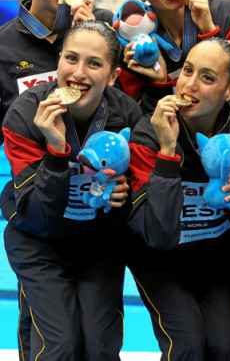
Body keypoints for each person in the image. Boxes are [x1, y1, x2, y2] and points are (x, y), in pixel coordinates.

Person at [1, 20, 142, 359]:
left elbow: (135, 207)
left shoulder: (127, 115)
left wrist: (122, 200)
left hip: (98, 242)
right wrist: (55, 151)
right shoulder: (24, 115)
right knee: (59, 345)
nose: (78, 73)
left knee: (99, 347)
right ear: (59, 60)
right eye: (71, 58)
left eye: (94, 63)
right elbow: (38, 217)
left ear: (112, 75)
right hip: (38, 241)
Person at [127, 38, 230, 360]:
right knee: (187, 345)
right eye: (188, 70)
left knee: (227, 346)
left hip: (217, 261)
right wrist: (166, 152)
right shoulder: (148, 132)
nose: (190, 84)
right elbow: (158, 235)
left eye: (207, 78)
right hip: (158, 261)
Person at [0, 0, 113, 144]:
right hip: (34, 169)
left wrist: (91, 37)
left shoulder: (103, 23)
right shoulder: (3, 45)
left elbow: (122, 100)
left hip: (102, 169)